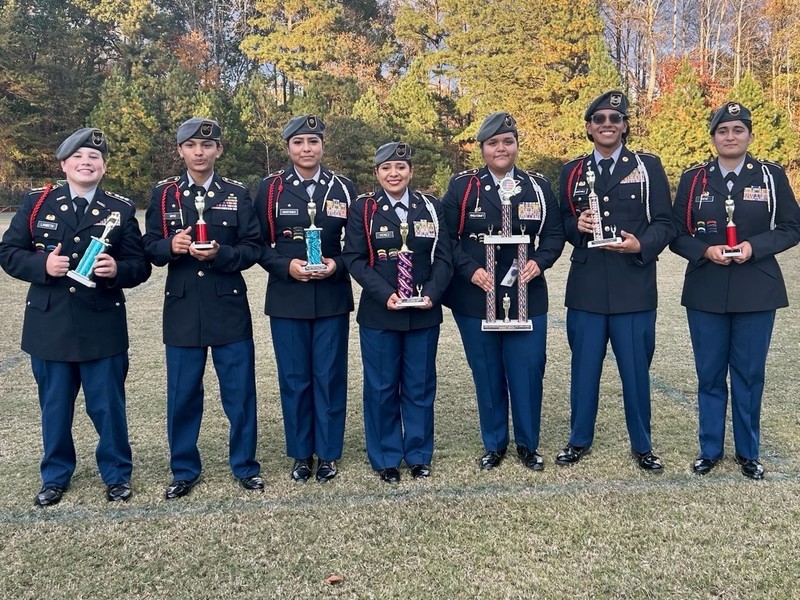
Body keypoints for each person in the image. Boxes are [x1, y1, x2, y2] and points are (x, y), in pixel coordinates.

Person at [0, 128, 151, 506]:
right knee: (54, 407)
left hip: (101, 324)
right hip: (50, 325)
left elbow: (140, 265)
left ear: (104, 167)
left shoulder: (120, 209)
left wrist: (117, 268)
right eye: (79, 157)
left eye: (95, 158)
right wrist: (42, 264)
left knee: (108, 407)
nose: (87, 163)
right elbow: (9, 252)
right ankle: (54, 476)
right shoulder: (37, 202)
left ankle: (117, 475)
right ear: (64, 164)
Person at [671, 102, 800, 479]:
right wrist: (704, 250)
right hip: (706, 289)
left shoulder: (771, 176)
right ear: (713, 138)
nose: (730, 137)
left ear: (749, 135)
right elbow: (676, 232)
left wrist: (754, 247)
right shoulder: (694, 178)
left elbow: (793, 227)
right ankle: (709, 449)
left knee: (748, 375)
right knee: (709, 374)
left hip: (756, 290)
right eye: (723, 131)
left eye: (737, 130)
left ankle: (748, 452)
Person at [143, 117, 264, 499]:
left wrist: (222, 254)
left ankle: (245, 466)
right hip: (181, 309)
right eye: (192, 146)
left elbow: (253, 247)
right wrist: (170, 247)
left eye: (207, 146)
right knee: (182, 395)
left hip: (227, 306)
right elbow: (148, 246)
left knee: (239, 393)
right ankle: (183, 469)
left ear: (219, 151)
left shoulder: (236, 193)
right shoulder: (164, 195)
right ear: (180, 151)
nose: (200, 152)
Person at [557, 90, 674, 472]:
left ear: (625, 126)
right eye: (600, 119)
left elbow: (666, 222)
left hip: (634, 286)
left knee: (637, 374)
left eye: (615, 119)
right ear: (589, 128)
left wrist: (642, 244)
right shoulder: (571, 171)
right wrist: (576, 225)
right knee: (583, 371)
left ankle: (642, 444)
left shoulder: (647, 166)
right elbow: (560, 225)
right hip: (587, 287)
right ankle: (578, 440)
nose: (607, 124)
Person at [441, 112, 565, 471]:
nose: (501, 148)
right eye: (493, 143)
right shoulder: (463, 187)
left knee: (527, 369)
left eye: (507, 141)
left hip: (527, 294)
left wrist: (539, 263)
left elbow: (554, 234)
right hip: (475, 295)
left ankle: (528, 444)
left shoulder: (537, 186)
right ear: (482, 148)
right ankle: (494, 444)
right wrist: (470, 270)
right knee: (487, 369)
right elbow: (447, 238)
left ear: (516, 146)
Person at [254, 115, 356, 483]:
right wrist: (287, 267)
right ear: (288, 148)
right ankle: (301, 453)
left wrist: (336, 265)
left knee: (329, 377)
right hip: (288, 297)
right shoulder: (270, 189)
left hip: (330, 296)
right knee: (295, 378)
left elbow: (359, 247)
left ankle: (328, 453)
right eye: (298, 143)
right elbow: (257, 245)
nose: (306, 149)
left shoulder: (343, 188)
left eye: (313, 142)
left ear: (322, 146)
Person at [342, 142, 452, 482]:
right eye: (387, 168)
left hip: (422, 312)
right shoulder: (364, 208)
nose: (394, 173)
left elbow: (445, 257)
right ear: (377, 173)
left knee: (419, 386)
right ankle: (386, 457)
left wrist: (432, 294)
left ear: (411, 171)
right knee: (382, 387)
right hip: (380, 313)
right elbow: (354, 259)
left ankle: (418, 454)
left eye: (401, 167)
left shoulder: (430, 207)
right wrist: (385, 293)